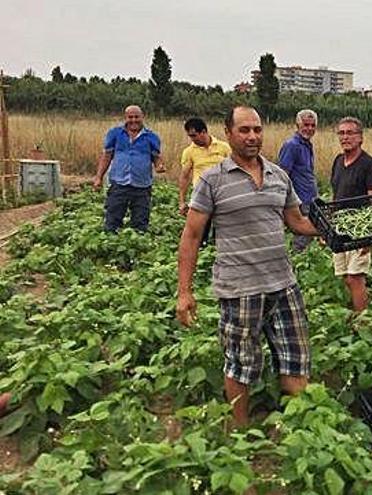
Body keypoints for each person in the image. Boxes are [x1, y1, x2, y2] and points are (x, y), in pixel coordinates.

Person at [175, 106, 319, 428]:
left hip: (283, 284)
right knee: (241, 365)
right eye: (244, 130)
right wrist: (184, 291)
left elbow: (296, 222)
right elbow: (192, 235)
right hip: (240, 288)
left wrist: (331, 230)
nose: (253, 136)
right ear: (228, 133)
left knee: (295, 361)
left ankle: (303, 436)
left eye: (257, 129)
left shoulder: (278, 176)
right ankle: (239, 434)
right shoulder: (212, 180)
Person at [330, 117, 372, 313]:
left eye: (350, 133)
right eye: (342, 133)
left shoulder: (370, 165)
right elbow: (336, 195)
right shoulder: (338, 161)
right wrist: (327, 228)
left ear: (361, 138)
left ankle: (362, 320)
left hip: (359, 230)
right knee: (345, 275)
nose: (345, 137)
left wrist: (369, 237)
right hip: (340, 228)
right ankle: (360, 309)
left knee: (356, 276)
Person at [92, 105, 165, 232]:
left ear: (142, 117)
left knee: (140, 222)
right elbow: (107, 156)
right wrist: (99, 177)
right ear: (125, 118)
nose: (133, 120)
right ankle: (112, 245)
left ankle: (138, 246)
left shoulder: (151, 137)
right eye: (130, 117)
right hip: (119, 183)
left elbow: (156, 157)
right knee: (112, 220)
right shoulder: (115, 134)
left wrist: (159, 166)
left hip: (142, 186)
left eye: (136, 117)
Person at [177, 117, 232, 246]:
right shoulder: (189, 151)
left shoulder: (224, 148)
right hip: (201, 194)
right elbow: (184, 176)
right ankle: (202, 252)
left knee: (222, 227)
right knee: (200, 231)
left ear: (203, 132)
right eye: (190, 136)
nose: (192, 139)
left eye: (194, 135)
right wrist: (182, 200)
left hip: (222, 193)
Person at [278, 109, 319, 251]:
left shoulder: (307, 144)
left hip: (309, 198)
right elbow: (283, 175)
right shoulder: (292, 145)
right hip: (299, 200)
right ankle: (295, 263)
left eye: (312, 125)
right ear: (297, 125)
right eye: (306, 125)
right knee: (303, 235)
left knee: (308, 234)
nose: (309, 129)